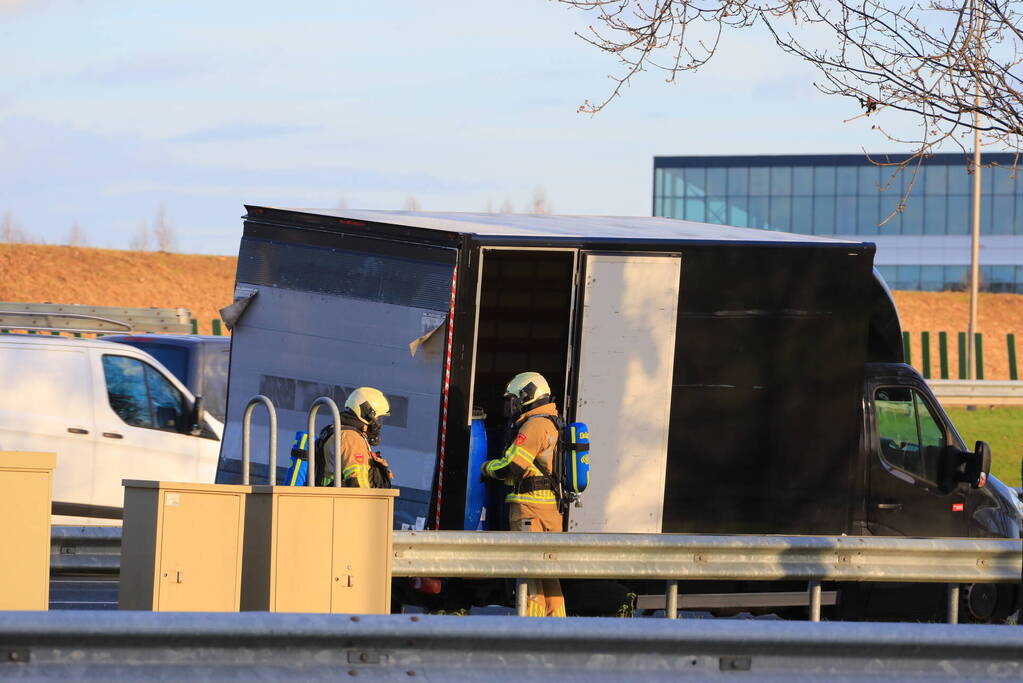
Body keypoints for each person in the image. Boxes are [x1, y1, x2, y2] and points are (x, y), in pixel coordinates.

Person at [480, 371, 566, 617]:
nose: (512, 405)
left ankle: (532, 629)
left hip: (529, 512)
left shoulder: (534, 425)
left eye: (514, 399)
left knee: (529, 576)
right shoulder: (553, 421)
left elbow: (512, 466)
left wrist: (487, 468)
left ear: (528, 396)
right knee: (549, 577)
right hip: (549, 510)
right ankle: (558, 629)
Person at [319, 386, 393, 488]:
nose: (378, 424)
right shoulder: (351, 438)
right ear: (368, 415)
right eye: (378, 418)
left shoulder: (340, 432)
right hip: (341, 503)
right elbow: (359, 484)